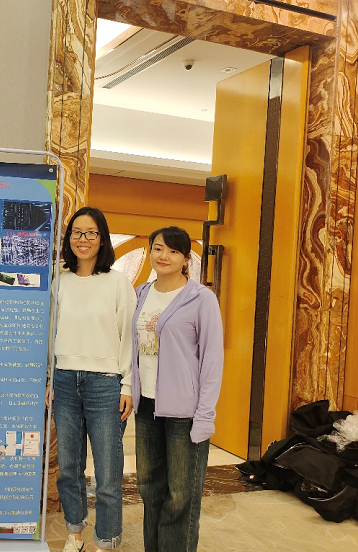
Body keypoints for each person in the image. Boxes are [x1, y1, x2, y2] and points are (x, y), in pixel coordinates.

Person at [48, 206, 137, 552]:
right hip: (65, 382)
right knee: (69, 468)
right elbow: (51, 334)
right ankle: (75, 534)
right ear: (69, 239)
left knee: (108, 474)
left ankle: (106, 541)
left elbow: (128, 338)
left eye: (90, 233)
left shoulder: (118, 283)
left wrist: (127, 384)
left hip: (105, 385)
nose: (82, 239)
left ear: (102, 239)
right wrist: (50, 379)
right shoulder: (60, 282)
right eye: (76, 233)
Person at [131, 226, 223, 552]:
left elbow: (212, 360)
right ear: (150, 252)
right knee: (150, 489)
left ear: (186, 258)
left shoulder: (201, 298)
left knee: (181, 495)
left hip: (185, 412)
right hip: (147, 407)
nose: (164, 256)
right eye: (158, 248)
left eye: (173, 251)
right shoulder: (140, 294)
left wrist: (205, 414)